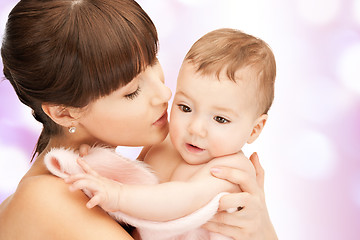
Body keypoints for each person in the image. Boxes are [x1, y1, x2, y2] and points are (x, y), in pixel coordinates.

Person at [0, 0, 277, 239]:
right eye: (132, 92)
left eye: (153, 60)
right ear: (65, 112)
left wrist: (258, 227)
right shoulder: (47, 200)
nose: (164, 93)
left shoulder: (119, 170)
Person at [64, 28, 278, 240]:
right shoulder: (164, 142)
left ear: (255, 129)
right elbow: (135, 180)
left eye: (220, 119)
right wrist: (101, 164)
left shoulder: (229, 171)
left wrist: (118, 196)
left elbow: (181, 200)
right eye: (185, 107)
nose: (195, 128)